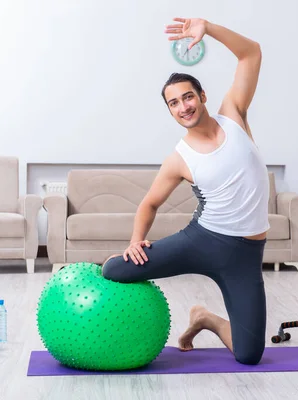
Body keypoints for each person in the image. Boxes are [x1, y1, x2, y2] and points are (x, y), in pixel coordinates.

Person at [101, 17, 269, 365]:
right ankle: (118, 260)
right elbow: (150, 203)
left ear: (202, 96)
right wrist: (136, 240)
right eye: (174, 103)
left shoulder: (233, 116)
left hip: (245, 257)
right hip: (203, 240)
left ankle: (204, 318)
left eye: (188, 97)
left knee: (249, 355)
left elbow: (251, 53)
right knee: (115, 271)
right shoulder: (179, 158)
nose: (184, 107)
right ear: (170, 111)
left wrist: (208, 27)